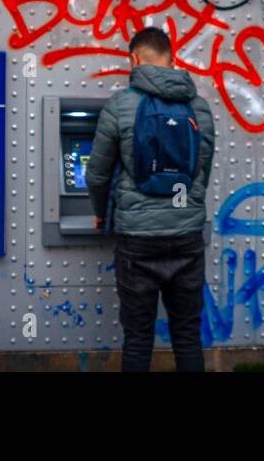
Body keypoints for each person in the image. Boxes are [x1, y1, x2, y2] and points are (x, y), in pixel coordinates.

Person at [85, 26, 216, 372]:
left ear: (134, 59)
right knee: (187, 335)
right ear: (173, 59)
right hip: (186, 237)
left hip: (137, 242)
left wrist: (101, 213)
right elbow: (202, 171)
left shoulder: (120, 105)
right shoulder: (199, 109)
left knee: (138, 338)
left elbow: (97, 174)